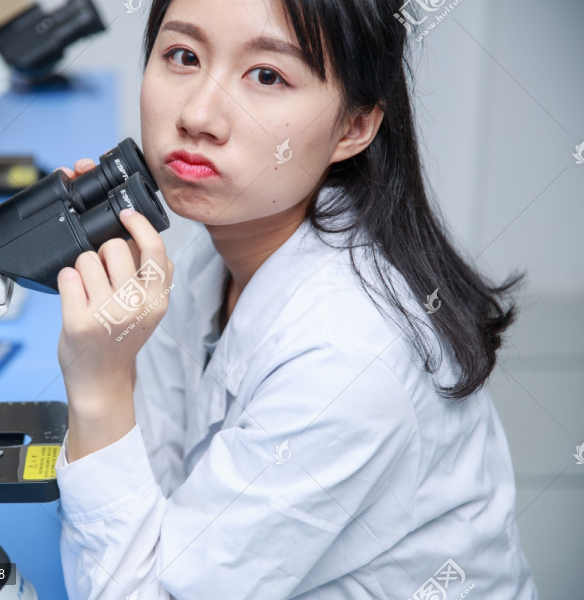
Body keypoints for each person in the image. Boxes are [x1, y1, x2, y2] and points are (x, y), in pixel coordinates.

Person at [50, 0, 538, 598]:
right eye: (183, 56)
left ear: (355, 126)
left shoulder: (346, 357)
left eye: (267, 76)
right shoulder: (224, 244)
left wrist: (99, 385)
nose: (199, 114)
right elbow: (161, 484)